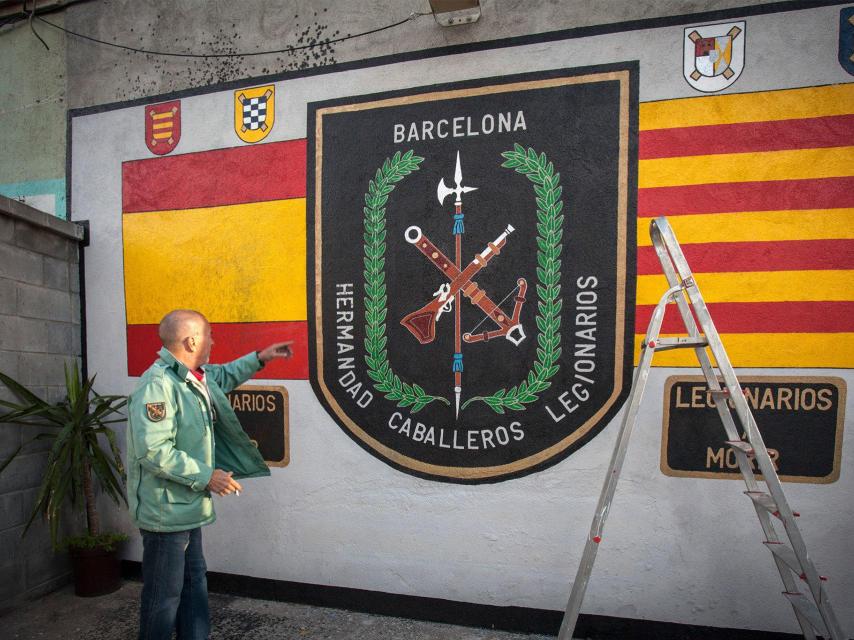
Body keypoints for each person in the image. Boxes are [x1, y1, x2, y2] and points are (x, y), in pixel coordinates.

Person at [126, 309, 293, 640]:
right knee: (163, 599)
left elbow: (226, 375)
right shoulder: (158, 385)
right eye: (208, 335)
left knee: (194, 590)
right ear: (191, 341)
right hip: (165, 516)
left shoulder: (194, 376)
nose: (213, 341)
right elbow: (153, 451)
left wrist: (260, 358)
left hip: (188, 510)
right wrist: (207, 476)